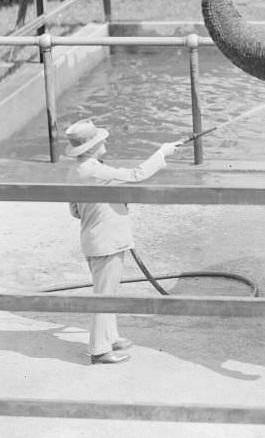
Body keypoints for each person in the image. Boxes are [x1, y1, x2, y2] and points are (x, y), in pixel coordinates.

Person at [65, 119, 181, 365]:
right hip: (106, 242)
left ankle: (111, 338)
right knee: (104, 296)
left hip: (94, 239)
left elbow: (75, 211)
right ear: (91, 147)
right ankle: (99, 350)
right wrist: (162, 153)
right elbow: (136, 175)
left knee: (108, 291)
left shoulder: (76, 170)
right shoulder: (95, 170)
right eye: (100, 140)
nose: (104, 141)